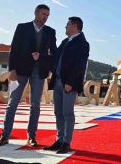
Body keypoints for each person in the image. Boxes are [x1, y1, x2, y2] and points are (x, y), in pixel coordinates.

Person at [0, 4, 57, 147]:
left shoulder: (50, 32)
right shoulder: (22, 28)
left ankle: (31, 136)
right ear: (35, 13)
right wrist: (12, 69)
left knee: (35, 105)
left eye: (47, 15)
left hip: (39, 72)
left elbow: (54, 54)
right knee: (12, 103)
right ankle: (5, 136)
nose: (45, 17)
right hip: (20, 71)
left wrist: (42, 57)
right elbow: (14, 49)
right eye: (43, 14)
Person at [44, 16, 90, 154]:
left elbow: (79, 65)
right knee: (58, 112)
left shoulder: (82, 43)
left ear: (75, 26)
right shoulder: (65, 41)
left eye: (67, 24)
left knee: (67, 113)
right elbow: (56, 59)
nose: (65, 27)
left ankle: (66, 142)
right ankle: (59, 140)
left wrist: (70, 82)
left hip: (68, 84)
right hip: (58, 81)